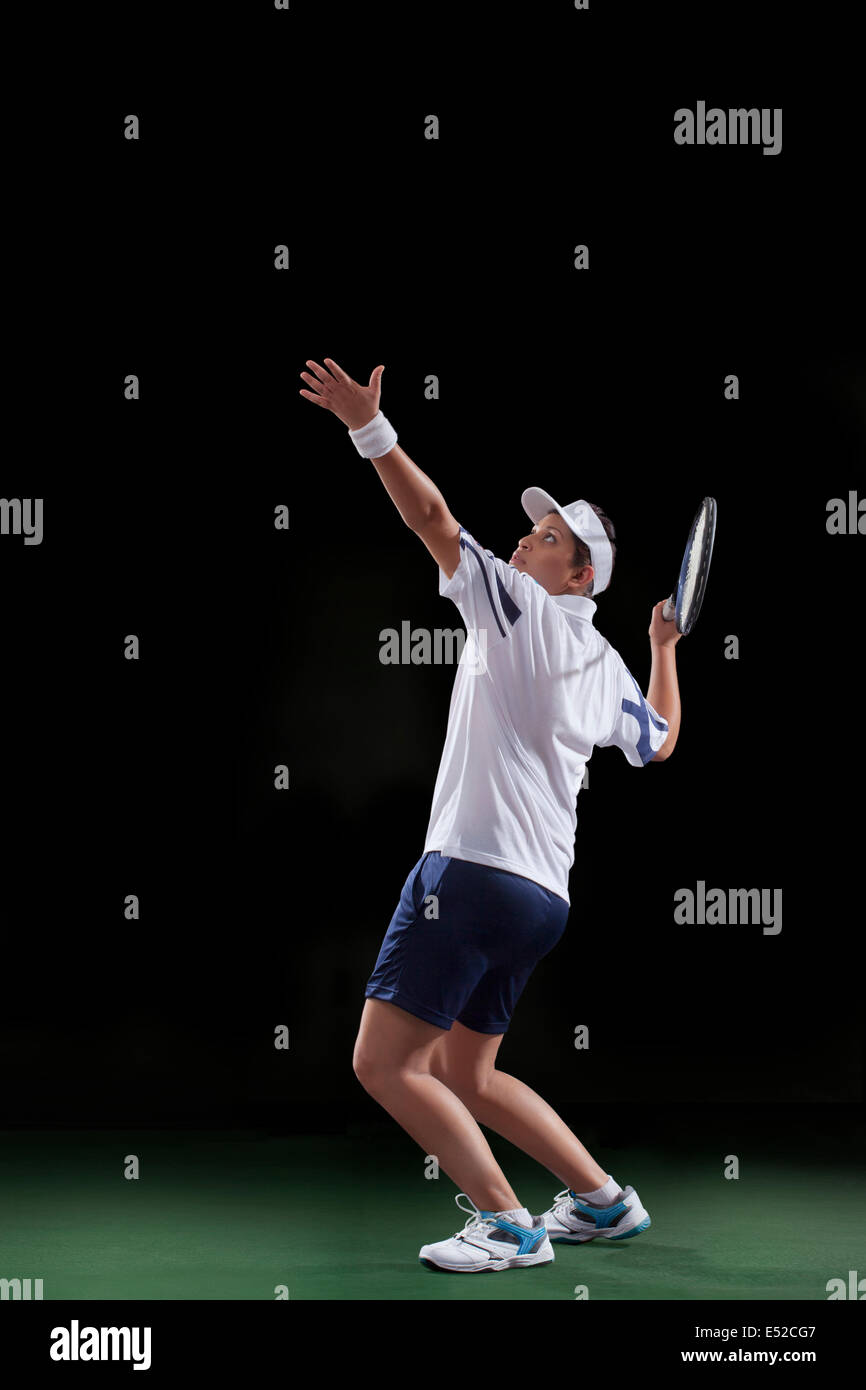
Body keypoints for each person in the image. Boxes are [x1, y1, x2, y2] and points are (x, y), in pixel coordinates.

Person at [300, 357, 682, 1273]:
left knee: (384, 1065)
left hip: (469, 873)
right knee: (468, 1073)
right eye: (531, 530)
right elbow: (660, 739)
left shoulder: (517, 605)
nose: (523, 543)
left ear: (579, 573)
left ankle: (510, 1224)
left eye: (546, 537)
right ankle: (604, 1203)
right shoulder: (609, 667)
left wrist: (369, 429)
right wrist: (664, 646)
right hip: (541, 900)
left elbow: (431, 520)